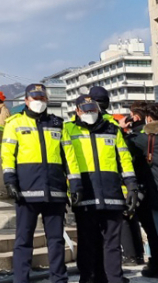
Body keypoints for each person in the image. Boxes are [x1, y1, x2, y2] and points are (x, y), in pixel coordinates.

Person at [1, 84, 83, 283]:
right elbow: (7, 155)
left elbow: (69, 158)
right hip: (26, 192)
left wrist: (76, 185)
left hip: (54, 192)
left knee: (55, 240)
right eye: (35, 98)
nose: (39, 102)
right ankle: (21, 279)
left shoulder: (57, 124)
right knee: (23, 240)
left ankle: (59, 279)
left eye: (42, 98)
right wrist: (9, 181)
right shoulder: (14, 123)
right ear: (26, 100)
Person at [65, 95, 138, 283]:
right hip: (85, 193)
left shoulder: (113, 129)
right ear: (77, 111)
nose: (90, 113)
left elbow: (125, 160)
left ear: (98, 109)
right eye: (86, 110)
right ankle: (89, 278)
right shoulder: (68, 130)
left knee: (112, 244)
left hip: (111, 194)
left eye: (93, 109)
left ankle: (115, 279)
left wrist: (131, 187)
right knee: (88, 242)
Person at [126, 102, 158, 277]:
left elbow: (123, 145)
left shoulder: (145, 138)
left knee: (153, 231)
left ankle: (155, 265)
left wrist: (121, 127)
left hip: (153, 192)